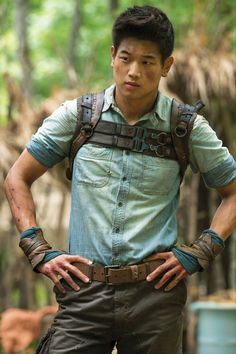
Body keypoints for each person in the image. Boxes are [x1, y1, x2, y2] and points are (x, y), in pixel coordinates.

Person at [4, 5, 236, 354]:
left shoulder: (185, 128)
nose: (134, 71)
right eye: (126, 58)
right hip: (83, 294)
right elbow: (17, 177)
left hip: (155, 299)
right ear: (112, 56)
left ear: (165, 67)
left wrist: (201, 250)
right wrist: (38, 249)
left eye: (147, 61)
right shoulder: (77, 117)